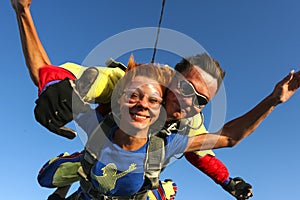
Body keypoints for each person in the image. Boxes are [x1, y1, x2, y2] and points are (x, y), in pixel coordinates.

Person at [11, 0, 253, 199]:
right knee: (59, 176)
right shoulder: (126, 82)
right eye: (185, 88)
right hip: (99, 155)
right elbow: (60, 76)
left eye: (201, 100)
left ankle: (161, 188)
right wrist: (55, 84)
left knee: (145, 188)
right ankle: (76, 170)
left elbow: (203, 155)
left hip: (138, 175)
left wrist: (229, 183)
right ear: (172, 79)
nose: (188, 101)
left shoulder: (190, 121)